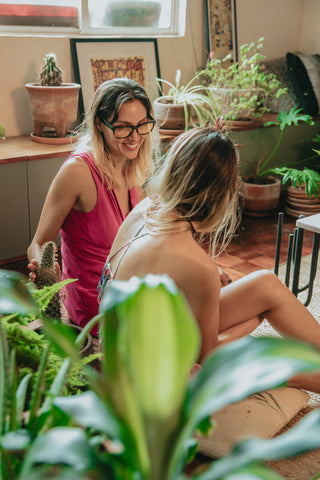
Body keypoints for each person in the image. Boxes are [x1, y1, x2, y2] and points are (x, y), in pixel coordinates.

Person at [98, 126, 320, 393]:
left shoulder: (147, 208)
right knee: (293, 367)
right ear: (220, 195)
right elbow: (207, 359)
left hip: (125, 343)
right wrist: (253, 320)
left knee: (266, 284)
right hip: (146, 378)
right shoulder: (195, 265)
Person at [28, 77, 156, 335]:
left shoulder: (133, 166)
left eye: (142, 125)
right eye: (123, 128)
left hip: (131, 292)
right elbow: (38, 244)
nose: (135, 137)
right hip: (96, 308)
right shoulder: (78, 172)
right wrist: (43, 267)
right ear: (100, 123)